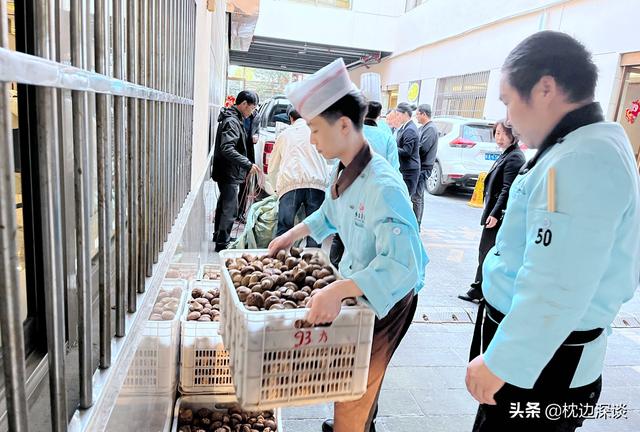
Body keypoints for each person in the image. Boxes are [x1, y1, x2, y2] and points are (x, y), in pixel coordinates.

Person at [466, 31, 640, 432]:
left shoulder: (581, 160)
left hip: (545, 369)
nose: (507, 117)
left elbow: (559, 284)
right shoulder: (582, 144)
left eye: (508, 100)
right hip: (542, 356)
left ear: (545, 88)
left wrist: (504, 360)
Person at [269, 58, 428, 432]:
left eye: (315, 130)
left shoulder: (384, 187)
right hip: (362, 282)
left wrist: (339, 288)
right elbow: (329, 213)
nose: (311, 140)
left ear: (343, 125)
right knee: (353, 380)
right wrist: (292, 234)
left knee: (356, 389)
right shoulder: (344, 168)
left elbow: (404, 266)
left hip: (390, 298)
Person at [458, 120, 524, 303]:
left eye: (504, 134)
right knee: (485, 251)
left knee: (487, 252)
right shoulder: (507, 154)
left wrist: (495, 214)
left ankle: (479, 290)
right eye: (497, 134)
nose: (500, 138)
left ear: (514, 135)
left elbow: (507, 189)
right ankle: (482, 289)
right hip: (494, 214)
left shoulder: (515, 157)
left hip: (499, 216)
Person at [330, 100, 401, 268]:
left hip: (350, 190)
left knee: (342, 232)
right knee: (369, 236)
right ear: (378, 116)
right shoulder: (386, 137)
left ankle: (333, 266)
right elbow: (394, 169)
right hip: (375, 195)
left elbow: (337, 167)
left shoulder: (352, 134)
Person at [267, 106, 329, 247]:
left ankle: (280, 264)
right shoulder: (317, 132)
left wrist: (276, 189)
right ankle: (313, 265)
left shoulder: (285, 134)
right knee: (315, 230)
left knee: (284, 229)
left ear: (291, 118)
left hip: (291, 184)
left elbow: (273, 167)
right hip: (317, 185)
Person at [211, 90, 260, 252]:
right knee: (230, 207)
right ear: (244, 104)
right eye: (252, 108)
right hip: (228, 170)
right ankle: (222, 243)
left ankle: (219, 236)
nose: (252, 112)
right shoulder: (232, 121)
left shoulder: (234, 117)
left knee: (224, 204)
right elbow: (227, 148)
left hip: (226, 169)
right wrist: (247, 164)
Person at [413, 104, 438, 227]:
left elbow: (423, 148)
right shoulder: (423, 128)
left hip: (424, 167)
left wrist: (411, 151)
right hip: (420, 166)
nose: (416, 117)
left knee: (417, 197)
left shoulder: (430, 129)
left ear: (423, 114)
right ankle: (416, 222)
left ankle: (417, 224)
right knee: (418, 196)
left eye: (417, 114)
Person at [237, 105, 260, 223]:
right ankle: (227, 214)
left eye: (255, 107)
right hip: (236, 153)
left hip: (248, 153)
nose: (253, 109)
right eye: (252, 106)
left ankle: (240, 213)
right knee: (231, 185)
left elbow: (257, 131)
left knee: (244, 185)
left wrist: (256, 136)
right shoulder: (237, 116)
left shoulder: (256, 116)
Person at [363, 101, 400, 170]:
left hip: (353, 178)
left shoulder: (351, 133)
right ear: (379, 114)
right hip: (378, 176)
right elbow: (394, 166)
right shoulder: (387, 136)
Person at [395, 102, 421, 200]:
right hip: (406, 169)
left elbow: (407, 152)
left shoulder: (409, 129)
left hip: (409, 170)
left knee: (405, 199)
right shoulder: (405, 127)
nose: (397, 117)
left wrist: (393, 147)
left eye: (398, 115)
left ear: (405, 114)